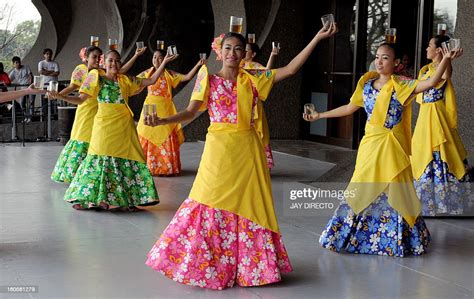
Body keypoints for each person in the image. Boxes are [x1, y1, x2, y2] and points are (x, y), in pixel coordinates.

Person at [144, 24, 337, 289]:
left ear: (244, 53)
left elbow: (291, 69)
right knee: (207, 198)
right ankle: (207, 264)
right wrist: (163, 120)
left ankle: (251, 267)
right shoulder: (207, 79)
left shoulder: (252, 78)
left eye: (238, 49)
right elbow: (190, 112)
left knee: (250, 205)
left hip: (248, 150)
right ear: (219, 53)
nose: (233, 53)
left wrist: (316, 37)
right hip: (219, 150)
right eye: (228, 49)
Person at [304, 43, 459, 257]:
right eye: (377, 56)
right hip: (371, 145)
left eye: (385, 58)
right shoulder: (366, 84)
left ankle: (396, 240)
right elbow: (350, 108)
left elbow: (433, 82)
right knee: (359, 188)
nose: (379, 61)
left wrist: (446, 59)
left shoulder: (402, 85)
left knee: (398, 191)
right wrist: (319, 116)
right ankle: (347, 235)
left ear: (396, 63)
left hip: (393, 146)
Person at [48, 50, 176, 210]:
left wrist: (164, 63)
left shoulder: (125, 80)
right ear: (103, 62)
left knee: (129, 158)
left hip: (124, 126)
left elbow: (150, 80)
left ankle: (129, 199)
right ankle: (93, 198)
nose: (113, 64)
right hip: (104, 126)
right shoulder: (96, 78)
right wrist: (61, 96)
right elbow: (80, 99)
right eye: (110, 60)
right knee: (98, 158)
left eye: (117, 61)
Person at [412, 35, 471, 216]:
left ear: (438, 49)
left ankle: (445, 205)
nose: (426, 48)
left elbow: (446, 75)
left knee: (440, 153)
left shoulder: (442, 68)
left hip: (437, 117)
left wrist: (448, 59)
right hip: (424, 117)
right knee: (421, 153)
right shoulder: (425, 69)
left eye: (429, 45)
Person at [135, 49, 205, 176]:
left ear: (165, 59)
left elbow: (187, 77)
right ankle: (147, 167)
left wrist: (198, 65)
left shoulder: (169, 74)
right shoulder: (147, 73)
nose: (156, 60)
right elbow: (133, 81)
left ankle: (166, 168)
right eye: (154, 57)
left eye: (160, 57)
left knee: (166, 135)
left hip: (165, 110)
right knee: (146, 134)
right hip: (149, 108)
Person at [50, 46, 103, 183]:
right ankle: (75, 172)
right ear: (86, 58)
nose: (97, 60)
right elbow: (72, 87)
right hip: (85, 109)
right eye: (94, 57)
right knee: (82, 137)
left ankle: (93, 173)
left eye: (99, 57)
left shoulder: (102, 72)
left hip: (101, 110)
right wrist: (58, 95)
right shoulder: (81, 69)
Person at [240, 42, 280, 168]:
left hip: (253, 105)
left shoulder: (254, 66)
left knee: (258, 132)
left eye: (246, 50)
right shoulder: (238, 64)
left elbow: (267, 73)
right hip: (240, 104)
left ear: (253, 54)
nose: (243, 52)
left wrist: (272, 55)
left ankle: (261, 164)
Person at [9, 56, 34, 121]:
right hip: (22, 89)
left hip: (30, 87)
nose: (18, 64)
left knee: (31, 102)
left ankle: (31, 117)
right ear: (13, 64)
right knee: (22, 103)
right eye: (16, 63)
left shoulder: (26, 67)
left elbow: (31, 76)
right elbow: (9, 80)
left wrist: (30, 84)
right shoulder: (13, 72)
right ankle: (25, 116)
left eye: (19, 62)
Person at [38, 48, 60, 117]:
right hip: (44, 84)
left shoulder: (55, 63)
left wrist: (46, 72)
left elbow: (57, 73)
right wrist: (52, 72)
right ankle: (45, 115)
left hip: (53, 84)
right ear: (44, 55)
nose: (49, 55)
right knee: (44, 100)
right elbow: (41, 72)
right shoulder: (41, 63)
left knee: (53, 99)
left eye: (50, 54)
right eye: (47, 54)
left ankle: (54, 115)